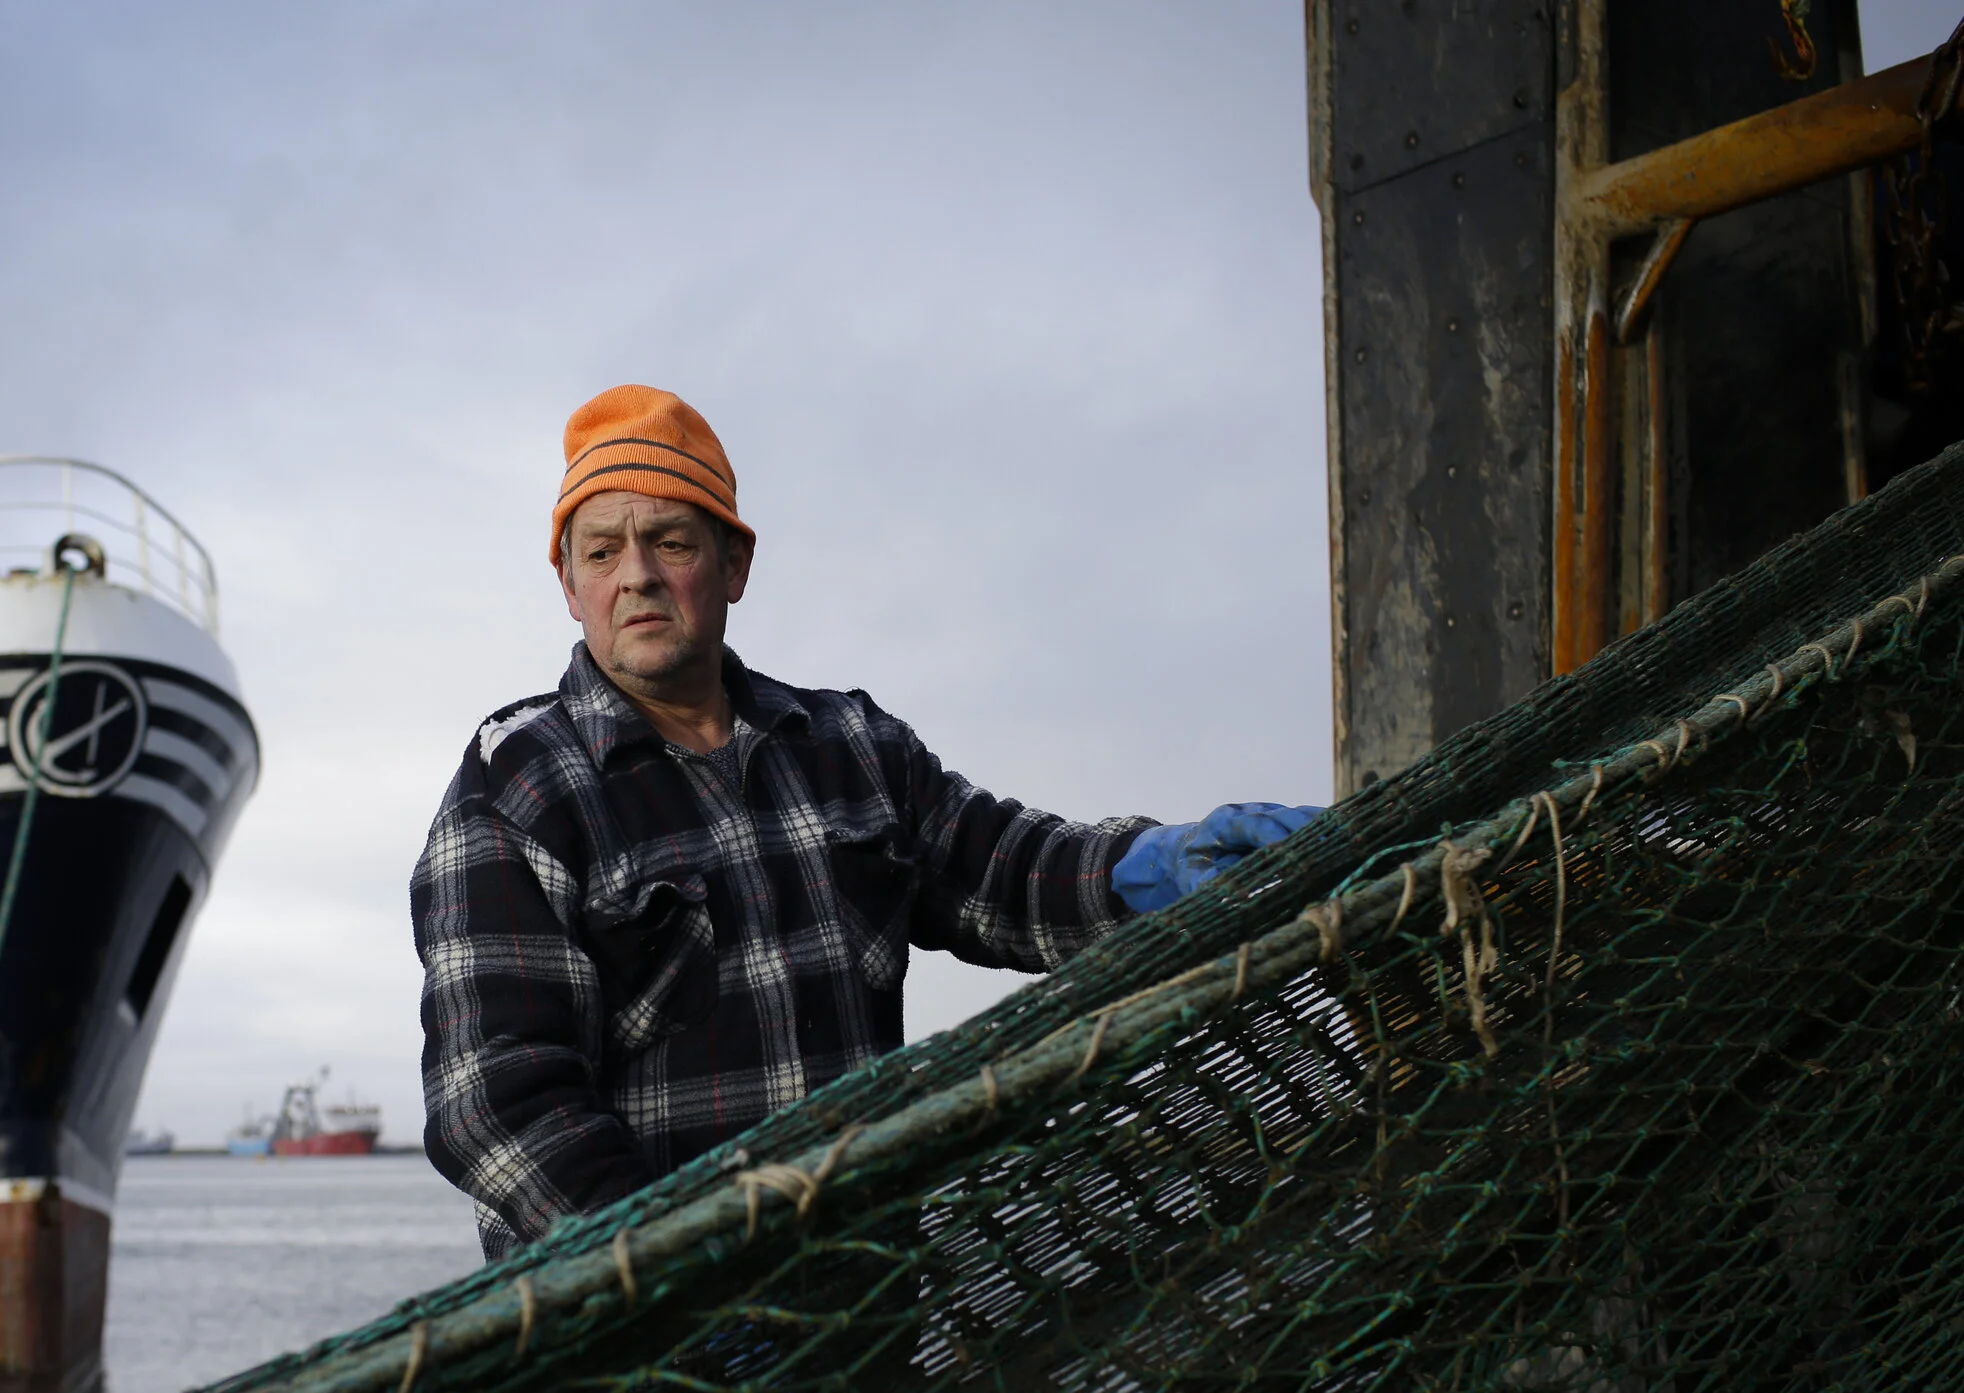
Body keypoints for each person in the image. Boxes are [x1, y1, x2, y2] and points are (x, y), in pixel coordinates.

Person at [412, 386, 1317, 1258]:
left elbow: (1010, 871)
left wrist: (1145, 866)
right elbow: (495, 1101)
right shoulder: (514, 787)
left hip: (862, 1314)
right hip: (648, 1374)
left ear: (734, 564)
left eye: (671, 541)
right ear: (569, 585)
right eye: (602, 551)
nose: (637, 575)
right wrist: (668, 1272)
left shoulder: (851, 745)